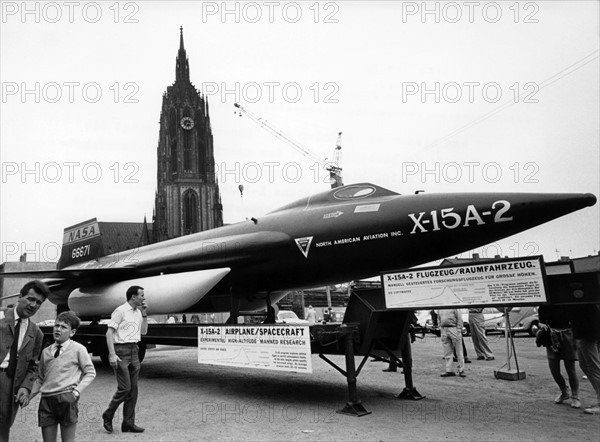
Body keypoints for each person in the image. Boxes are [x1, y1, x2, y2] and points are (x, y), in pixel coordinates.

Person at [30, 311, 96, 442]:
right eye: (56, 325)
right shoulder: (46, 352)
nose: (58, 329)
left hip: (66, 398)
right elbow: (40, 378)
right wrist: (28, 396)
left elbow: (90, 372)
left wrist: (76, 392)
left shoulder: (78, 349)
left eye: (63, 327)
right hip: (46, 401)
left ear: (72, 332)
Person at [0, 280, 50, 442]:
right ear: (20, 297)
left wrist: (26, 387)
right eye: (30, 299)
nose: (34, 305)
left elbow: (33, 366)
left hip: (10, 384)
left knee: (3, 427)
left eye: (39, 303)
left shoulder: (36, 334)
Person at [102, 285, 148, 434]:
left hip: (134, 350)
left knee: (133, 391)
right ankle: (108, 414)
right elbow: (109, 334)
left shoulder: (138, 313)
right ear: (133, 297)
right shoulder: (120, 311)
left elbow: (144, 331)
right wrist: (111, 354)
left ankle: (128, 424)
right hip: (120, 351)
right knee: (125, 388)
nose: (143, 298)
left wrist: (145, 313)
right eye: (141, 295)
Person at [538, 305, 580, 409]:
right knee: (554, 369)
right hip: (552, 336)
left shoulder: (567, 301)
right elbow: (541, 321)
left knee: (570, 368)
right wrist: (542, 326)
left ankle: (575, 396)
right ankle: (564, 392)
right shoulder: (544, 304)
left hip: (568, 334)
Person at [568, 303, 600, 415]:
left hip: (588, 333)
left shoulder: (587, 298)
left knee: (594, 368)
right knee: (585, 365)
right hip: (583, 333)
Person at [437, 308, 466, 377]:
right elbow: (439, 318)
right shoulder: (440, 308)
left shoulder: (454, 307)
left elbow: (459, 318)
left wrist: (458, 329)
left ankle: (461, 370)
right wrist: (440, 328)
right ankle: (449, 370)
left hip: (453, 328)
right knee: (447, 352)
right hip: (444, 329)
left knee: (459, 351)